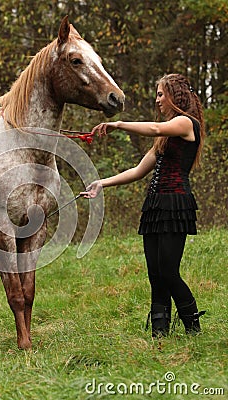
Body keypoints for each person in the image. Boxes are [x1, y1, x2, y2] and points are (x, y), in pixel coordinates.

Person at [81, 74, 206, 337]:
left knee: (169, 270)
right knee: (155, 273)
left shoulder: (185, 123)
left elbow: (156, 128)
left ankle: (193, 328)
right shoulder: (163, 138)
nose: (157, 99)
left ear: (175, 95)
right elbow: (138, 171)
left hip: (175, 204)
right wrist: (101, 183)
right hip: (154, 206)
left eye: (161, 94)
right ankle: (159, 333)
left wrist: (118, 123)